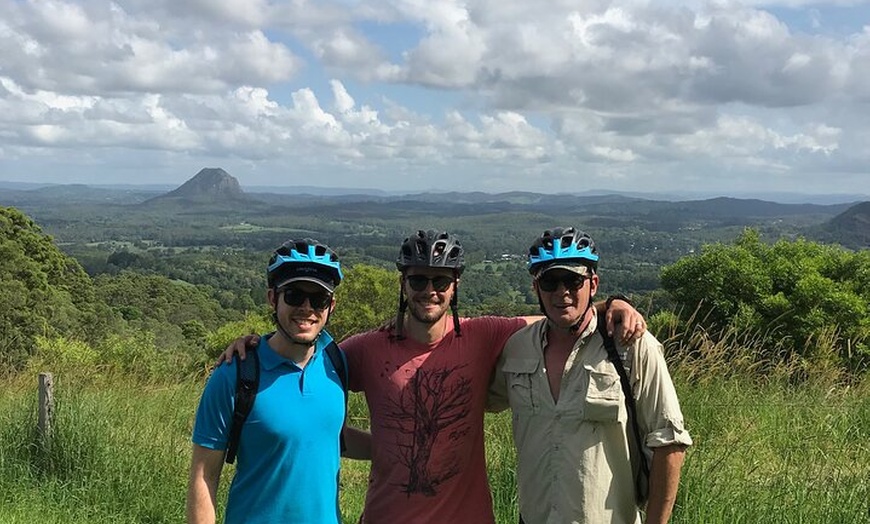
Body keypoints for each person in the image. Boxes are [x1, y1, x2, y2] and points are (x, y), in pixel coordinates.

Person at [221, 229, 646, 523]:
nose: (430, 289)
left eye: (440, 280)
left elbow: (560, 316)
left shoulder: (485, 335)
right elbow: (301, 371)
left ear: (455, 286)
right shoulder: (366, 349)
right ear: (404, 284)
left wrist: (612, 306)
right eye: (419, 279)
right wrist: (255, 344)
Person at [488, 227, 692, 524]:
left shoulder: (632, 346)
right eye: (550, 281)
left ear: (593, 283)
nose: (562, 292)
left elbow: (670, 444)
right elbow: (482, 402)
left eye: (573, 280)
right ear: (536, 288)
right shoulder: (518, 347)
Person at [186, 238, 368, 524]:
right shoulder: (235, 374)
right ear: (273, 298)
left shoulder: (335, 361)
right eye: (295, 295)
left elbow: (332, 436)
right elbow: (204, 477)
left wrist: (395, 449)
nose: (307, 308)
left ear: (331, 305)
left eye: (318, 299)